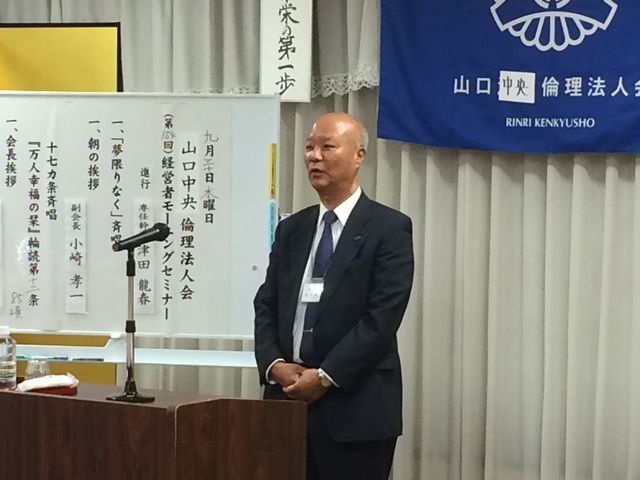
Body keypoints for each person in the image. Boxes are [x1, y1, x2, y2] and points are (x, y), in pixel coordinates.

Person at [254, 112, 414, 480]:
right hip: (286, 403)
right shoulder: (292, 229)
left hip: (354, 410)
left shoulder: (388, 228)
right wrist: (274, 364)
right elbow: (266, 304)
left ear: (359, 155)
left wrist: (325, 376)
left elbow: (382, 318)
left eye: (327, 146)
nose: (314, 156)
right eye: (309, 147)